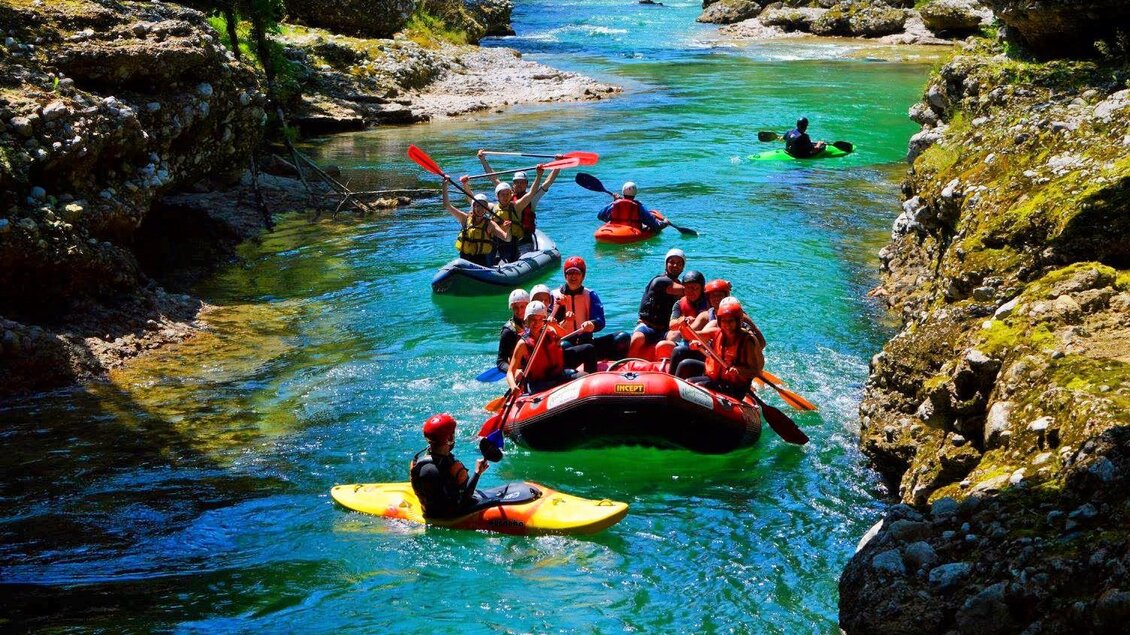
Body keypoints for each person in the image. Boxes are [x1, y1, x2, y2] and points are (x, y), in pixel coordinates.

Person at [551, 256, 629, 370]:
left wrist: (592, 324)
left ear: (583, 276)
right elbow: (549, 324)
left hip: (587, 343)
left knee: (623, 337)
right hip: (565, 343)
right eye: (570, 273)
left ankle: (616, 371)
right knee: (564, 346)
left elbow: (600, 320)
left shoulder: (590, 294)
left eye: (577, 273)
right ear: (565, 275)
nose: (573, 276)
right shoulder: (554, 295)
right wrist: (560, 308)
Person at [680, 297, 764, 400]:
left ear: (738, 321)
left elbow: (754, 371)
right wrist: (684, 326)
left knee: (695, 386)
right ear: (719, 321)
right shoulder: (717, 332)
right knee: (685, 371)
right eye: (724, 321)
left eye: (731, 321)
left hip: (735, 387)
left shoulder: (747, 341)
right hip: (716, 378)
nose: (727, 325)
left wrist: (739, 370)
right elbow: (691, 335)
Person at [409, 413, 488, 519]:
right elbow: (466, 499)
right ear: (449, 438)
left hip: (428, 513)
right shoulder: (456, 468)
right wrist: (477, 472)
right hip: (453, 517)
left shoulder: (415, 464)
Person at [461, 166, 544, 262]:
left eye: (508, 194)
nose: (505, 197)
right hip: (494, 245)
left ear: (511, 195)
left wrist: (539, 175)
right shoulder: (492, 207)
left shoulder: (517, 206)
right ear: (497, 196)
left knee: (504, 261)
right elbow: (473, 201)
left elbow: (531, 193)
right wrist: (465, 184)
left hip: (511, 245)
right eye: (503, 195)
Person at [478, 150, 560, 238]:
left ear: (527, 184)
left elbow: (548, 182)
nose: (519, 184)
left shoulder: (532, 197)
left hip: (525, 236)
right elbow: (493, 178)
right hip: (506, 236)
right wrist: (483, 160)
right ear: (513, 184)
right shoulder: (506, 193)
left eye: (522, 182)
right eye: (517, 182)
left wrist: (558, 163)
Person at [506, 300, 576, 394]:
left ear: (544, 321)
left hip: (558, 376)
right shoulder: (523, 343)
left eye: (540, 320)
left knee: (584, 376)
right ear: (527, 321)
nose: (536, 323)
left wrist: (555, 325)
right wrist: (513, 385)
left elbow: (564, 334)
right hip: (539, 384)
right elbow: (510, 371)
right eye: (533, 320)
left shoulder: (550, 331)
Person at [628, 248, 686, 358]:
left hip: (666, 330)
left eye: (679, 263)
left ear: (683, 267)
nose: (675, 265)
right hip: (647, 326)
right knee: (637, 338)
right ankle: (628, 364)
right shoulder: (660, 281)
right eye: (672, 262)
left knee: (674, 337)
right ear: (666, 264)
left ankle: (668, 368)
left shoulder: (682, 285)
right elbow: (687, 290)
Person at [443, 180, 511, 267]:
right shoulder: (464, 218)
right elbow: (447, 205)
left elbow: (507, 238)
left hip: (481, 263)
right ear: (473, 207)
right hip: (464, 260)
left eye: (483, 206)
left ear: (486, 209)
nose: (480, 209)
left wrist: (508, 229)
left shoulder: (490, 224)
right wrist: (444, 185)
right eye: (478, 206)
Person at [597, 181, 666, 234]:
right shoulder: (639, 206)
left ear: (623, 191)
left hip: (614, 230)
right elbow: (655, 226)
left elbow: (600, 216)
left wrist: (615, 202)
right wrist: (664, 223)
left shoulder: (614, 204)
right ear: (635, 192)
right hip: (631, 232)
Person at [496, 288, 529, 374]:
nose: (519, 311)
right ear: (511, 308)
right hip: (520, 371)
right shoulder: (508, 331)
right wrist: (514, 371)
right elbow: (500, 362)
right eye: (515, 308)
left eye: (522, 306)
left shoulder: (535, 322)